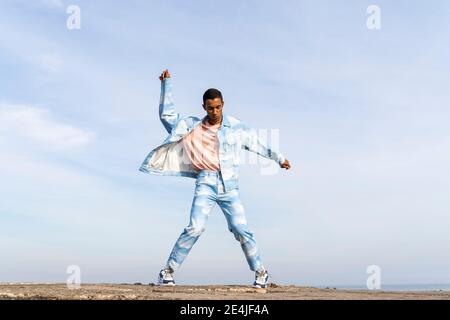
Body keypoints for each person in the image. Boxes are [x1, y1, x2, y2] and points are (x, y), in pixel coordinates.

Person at [139, 69, 291, 288]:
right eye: (210, 108)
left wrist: (279, 158)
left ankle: (261, 272)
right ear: (204, 107)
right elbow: (167, 116)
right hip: (205, 183)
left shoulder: (236, 127)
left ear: (223, 104)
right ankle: (167, 271)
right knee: (196, 227)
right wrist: (166, 85)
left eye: (218, 107)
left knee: (240, 229)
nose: (215, 111)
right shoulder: (192, 126)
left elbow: (258, 145)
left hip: (229, 186)